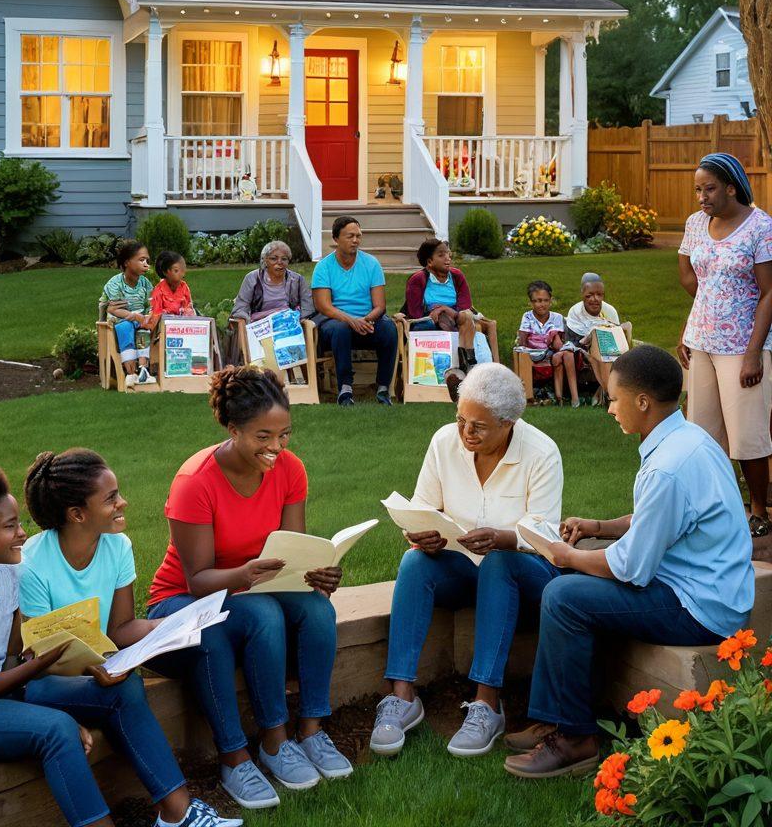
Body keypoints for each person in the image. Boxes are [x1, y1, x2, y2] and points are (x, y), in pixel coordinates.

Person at [0, 466, 239, 827]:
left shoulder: (7, 571)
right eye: (10, 526)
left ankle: (178, 814)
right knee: (57, 730)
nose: (22, 533)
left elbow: (13, 654)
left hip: (3, 688)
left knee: (123, 687)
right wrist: (48, 664)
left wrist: (56, 659)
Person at [504, 345, 754, 779]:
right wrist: (599, 525)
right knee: (566, 581)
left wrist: (569, 555)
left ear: (643, 403)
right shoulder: (690, 439)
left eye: (614, 398)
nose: (609, 408)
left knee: (564, 592)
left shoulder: (668, 467)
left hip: (702, 608)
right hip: (702, 587)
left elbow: (630, 567)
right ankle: (554, 713)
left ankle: (576, 739)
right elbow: (658, 521)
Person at [146, 367, 353, 811]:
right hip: (185, 598)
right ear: (233, 428)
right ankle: (268, 743)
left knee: (317, 609)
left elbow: (294, 551)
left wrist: (316, 574)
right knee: (263, 615)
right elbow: (196, 578)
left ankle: (312, 730)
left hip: (252, 584)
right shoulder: (195, 482)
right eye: (263, 436)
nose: (276, 448)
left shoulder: (290, 470)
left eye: (284, 435)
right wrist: (244, 575)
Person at [368, 363, 562, 759]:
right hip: (461, 569)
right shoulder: (444, 442)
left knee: (497, 562)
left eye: (478, 426)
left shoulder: (542, 452)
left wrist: (502, 538)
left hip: (524, 578)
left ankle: (487, 703)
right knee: (414, 563)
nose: (465, 433)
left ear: (508, 423)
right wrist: (420, 533)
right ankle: (402, 695)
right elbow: (422, 506)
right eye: (460, 420)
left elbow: (545, 535)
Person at [678, 152, 772, 535]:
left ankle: (759, 510)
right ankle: (722, 506)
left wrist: (754, 353)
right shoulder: (696, 224)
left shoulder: (760, 226)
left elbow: (768, 293)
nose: (702, 196)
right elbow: (693, 277)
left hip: (742, 348)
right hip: (701, 343)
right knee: (703, 433)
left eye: (709, 188)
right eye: (698, 189)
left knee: (747, 434)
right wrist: (690, 328)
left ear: (731, 188)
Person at [311, 215, 398, 407]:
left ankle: (383, 388)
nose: (356, 240)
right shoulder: (323, 267)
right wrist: (352, 321)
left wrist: (365, 320)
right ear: (336, 239)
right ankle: (345, 389)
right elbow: (323, 306)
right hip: (335, 322)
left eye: (358, 236)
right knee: (341, 329)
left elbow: (380, 306)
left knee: (390, 329)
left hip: (368, 321)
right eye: (350, 236)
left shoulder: (371, 263)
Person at [403, 238, 499, 367]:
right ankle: (463, 359)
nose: (447, 258)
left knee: (467, 316)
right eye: (441, 255)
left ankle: (467, 357)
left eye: (448, 253)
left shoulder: (457, 275)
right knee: (430, 326)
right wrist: (437, 313)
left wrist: (445, 309)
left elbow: (465, 306)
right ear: (430, 262)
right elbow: (415, 313)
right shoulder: (418, 279)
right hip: (430, 322)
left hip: (458, 319)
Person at [565, 273, 632, 405]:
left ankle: (605, 393)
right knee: (602, 354)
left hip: (610, 349)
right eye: (589, 295)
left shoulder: (610, 311)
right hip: (583, 350)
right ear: (582, 294)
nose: (594, 299)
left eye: (599, 295)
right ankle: (609, 395)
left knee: (609, 352)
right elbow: (575, 341)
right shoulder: (575, 312)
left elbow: (616, 335)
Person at [102, 240, 157, 390]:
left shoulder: (145, 283)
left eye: (147, 260)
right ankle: (130, 372)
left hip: (139, 320)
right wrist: (135, 316)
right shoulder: (115, 283)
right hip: (118, 321)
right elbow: (114, 309)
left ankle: (143, 370)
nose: (146, 264)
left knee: (144, 328)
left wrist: (148, 316)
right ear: (127, 262)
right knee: (126, 326)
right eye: (141, 260)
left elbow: (151, 304)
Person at [516, 281, 579, 407]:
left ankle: (570, 398)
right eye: (537, 301)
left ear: (551, 300)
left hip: (552, 352)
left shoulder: (556, 317)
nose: (542, 304)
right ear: (531, 302)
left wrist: (553, 339)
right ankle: (546, 397)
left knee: (565, 354)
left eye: (545, 300)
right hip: (532, 353)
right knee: (561, 354)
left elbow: (557, 343)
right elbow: (522, 341)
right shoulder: (527, 316)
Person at [230, 240, 314, 324]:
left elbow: (308, 306)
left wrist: (301, 320)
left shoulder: (297, 280)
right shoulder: (252, 278)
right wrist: (248, 322)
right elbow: (240, 309)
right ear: (265, 260)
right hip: (260, 324)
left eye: (284, 259)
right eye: (274, 258)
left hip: (289, 323)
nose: (279, 262)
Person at [152, 252, 196, 317]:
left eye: (183, 270)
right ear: (165, 272)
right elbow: (156, 314)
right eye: (176, 270)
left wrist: (187, 311)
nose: (182, 274)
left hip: (183, 324)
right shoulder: (158, 290)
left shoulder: (184, 286)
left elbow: (188, 306)